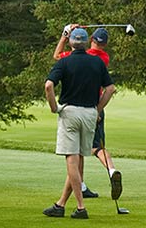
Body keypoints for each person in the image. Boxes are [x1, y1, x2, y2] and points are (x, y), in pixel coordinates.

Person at [43, 26, 115, 219]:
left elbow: (49, 85)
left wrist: (53, 106)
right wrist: (97, 110)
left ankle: (81, 208)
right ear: (86, 42)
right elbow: (110, 89)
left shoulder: (65, 61)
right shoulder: (97, 62)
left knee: (72, 161)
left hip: (71, 114)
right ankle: (60, 205)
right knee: (79, 161)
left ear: (72, 42)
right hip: (90, 114)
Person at [53, 25, 123, 200]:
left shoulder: (79, 57)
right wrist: (98, 109)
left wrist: (66, 34)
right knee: (89, 149)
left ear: (92, 40)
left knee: (80, 153)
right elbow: (111, 88)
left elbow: (57, 56)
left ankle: (78, 199)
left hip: (76, 110)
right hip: (94, 108)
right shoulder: (102, 59)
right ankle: (87, 183)